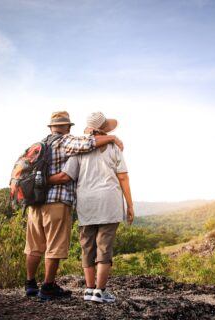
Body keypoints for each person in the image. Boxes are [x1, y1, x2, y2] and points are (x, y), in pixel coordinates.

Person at [24, 111, 123, 300]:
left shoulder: (41, 144)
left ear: (51, 127)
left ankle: (30, 285)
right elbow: (88, 144)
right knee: (54, 246)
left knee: (34, 246)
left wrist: (39, 182)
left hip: (35, 202)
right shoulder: (65, 141)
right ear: (67, 127)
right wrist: (113, 137)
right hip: (56, 202)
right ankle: (47, 287)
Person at [48, 112, 134, 303]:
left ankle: (89, 290)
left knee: (87, 248)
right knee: (104, 248)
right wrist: (130, 204)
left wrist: (40, 182)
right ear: (105, 129)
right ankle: (100, 292)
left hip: (86, 203)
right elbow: (123, 177)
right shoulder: (113, 147)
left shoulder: (79, 149)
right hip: (109, 202)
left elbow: (66, 175)